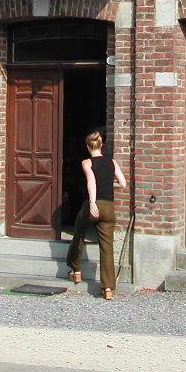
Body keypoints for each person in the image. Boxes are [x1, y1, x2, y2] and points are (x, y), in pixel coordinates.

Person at [66, 128, 126, 300]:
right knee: (107, 247)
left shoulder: (87, 163)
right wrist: (109, 187)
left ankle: (76, 269)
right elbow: (122, 184)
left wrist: (92, 203)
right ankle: (108, 288)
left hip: (94, 204)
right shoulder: (112, 162)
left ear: (87, 146)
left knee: (78, 232)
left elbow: (91, 183)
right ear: (102, 145)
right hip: (109, 207)